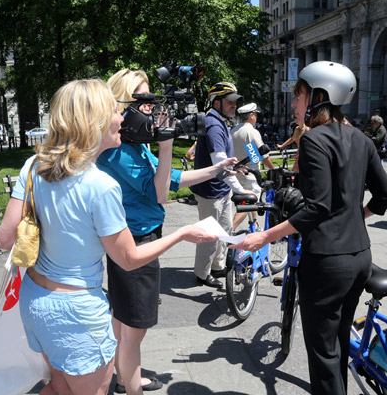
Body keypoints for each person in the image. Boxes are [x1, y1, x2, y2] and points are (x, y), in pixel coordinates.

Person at [0, 80, 217, 395]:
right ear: (95, 121)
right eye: (116, 111)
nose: (123, 120)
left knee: (59, 388)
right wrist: (183, 233)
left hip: (35, 300)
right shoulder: (100, 186)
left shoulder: (33, 166)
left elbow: (5, 238)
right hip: (77, 312)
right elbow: (128, 258)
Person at [230, 61, 387, 394]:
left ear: (319, 96)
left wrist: (265, 235)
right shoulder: (361, 140)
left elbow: (317, 207)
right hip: (360, 257)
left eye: (299, 96)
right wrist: (353, 216)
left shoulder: (316, 140)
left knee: (323, 356)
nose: (294, 104)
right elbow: (385, 195)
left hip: (327, 263)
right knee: (338, 346)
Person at [97, 69, 237, 395]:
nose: (151, 109)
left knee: (123, 321)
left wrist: (215, 169)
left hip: (134, 239)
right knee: (134, 329)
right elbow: (159, 192)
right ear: (122, 104)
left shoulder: (130, 143)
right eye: (143, 102)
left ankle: (124, 374)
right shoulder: (118, 150)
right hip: (136, 242)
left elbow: (170, 178)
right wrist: (166, 144)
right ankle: (130, 383)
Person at [190, 81, 252, 289]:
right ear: (216, 103)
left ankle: (218, 266)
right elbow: (220, 166)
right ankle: (202, 273)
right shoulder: (214, 125)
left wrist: (237, 171)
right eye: (229, 102)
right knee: (209, 236)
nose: (234, 105)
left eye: (235, 102)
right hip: (210, 191)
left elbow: (225, 163)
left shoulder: (220, 121)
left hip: (220, 189)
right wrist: (241, 190)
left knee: (225, 230)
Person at [230, 102, 276, 230]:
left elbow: (253, 154)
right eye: (255, 114)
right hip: (251, 175)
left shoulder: (234, 130)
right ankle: (230, 231)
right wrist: (273, 169)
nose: (256, 117)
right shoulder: (251, 132)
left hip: (237, 174)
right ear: (251, 115)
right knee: (248, 204)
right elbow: (264, 156)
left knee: (250, 201)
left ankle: (254, 223)